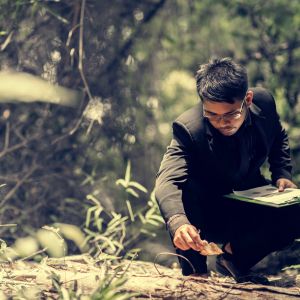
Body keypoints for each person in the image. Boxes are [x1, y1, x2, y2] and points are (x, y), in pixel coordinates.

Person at [154, 57, 300, 284]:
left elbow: (278, 135)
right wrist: (177, 222)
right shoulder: (188, 129)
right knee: (185, 190)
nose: (222, 122)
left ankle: (234, 258)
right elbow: (167, 181)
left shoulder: (264, 103)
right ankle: (196, 272)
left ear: (248, 100)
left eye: (231, 114)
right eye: (212, 114)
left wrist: (282, 173)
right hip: (207, 215)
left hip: (251, 203)